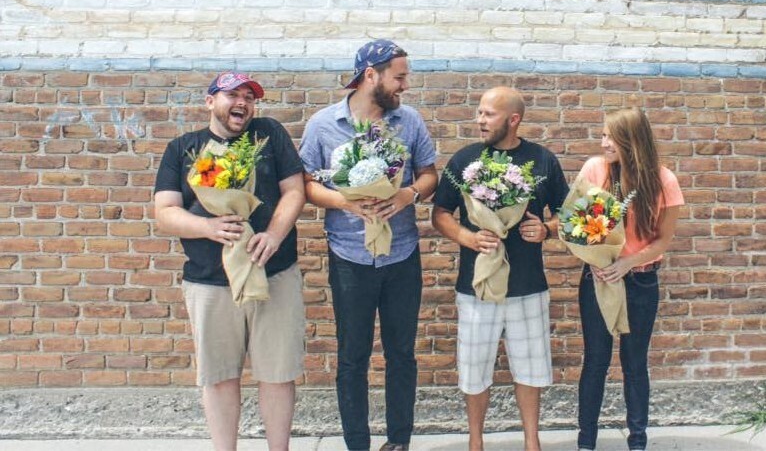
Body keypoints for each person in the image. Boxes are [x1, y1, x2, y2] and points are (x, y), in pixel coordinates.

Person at [154, 71, 306, 451]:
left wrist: (273, 234)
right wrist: (207, 226)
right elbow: (165, 212)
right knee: (219, 376)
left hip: (274, 275)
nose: (242, 103)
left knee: (277, 373)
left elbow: (294, 191)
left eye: (249, 97)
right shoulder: (183, 148)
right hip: (209, 280)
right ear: (210, 102)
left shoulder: (269, 135)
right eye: (232, 95)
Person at [299, 39, 438, 451]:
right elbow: (306, 185)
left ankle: (399, 441)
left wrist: (406, 195)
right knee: (352, 356)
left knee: (401, 355)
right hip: (348, 255)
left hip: (402, 254)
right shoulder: (324, 124)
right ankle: (356, 443)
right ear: (370, 75)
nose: (405, 86)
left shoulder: (409, 121)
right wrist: (346, 202)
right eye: (399, 77)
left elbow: (430, 174)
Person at [431, 87, 569, 451]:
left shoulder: (542, 161)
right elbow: (440, 214)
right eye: (479, 112)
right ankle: (475, 442)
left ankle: (532, 442)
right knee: (474, 369)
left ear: (513, 119)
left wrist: (546, 230)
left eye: (488, 114)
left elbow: (569, 214)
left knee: (531, 368)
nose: (479, 120)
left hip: (528, 286)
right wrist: (468, 237)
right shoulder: (464, 160)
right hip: (476, 286)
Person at [575, 107, 684, 451]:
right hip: (599, 278)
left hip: (640, 281)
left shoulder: (663, 180)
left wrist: (628, 263)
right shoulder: (595, 169)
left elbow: (663, 240)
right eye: (603, 134)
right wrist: (594, 259)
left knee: (634, 363)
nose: (603, 142)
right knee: (595, 360)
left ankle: (638, 440)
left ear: (631, 140)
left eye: (610, 136)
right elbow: (579, 225)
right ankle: (585, 442)